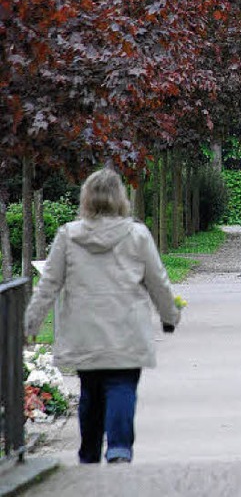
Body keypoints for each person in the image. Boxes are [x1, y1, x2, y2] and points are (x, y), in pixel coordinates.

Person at [24, 167, 180, 464]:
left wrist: (32, 322)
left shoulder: (68, 236)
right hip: (127, 329)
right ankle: (120, 448)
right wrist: (169, 315)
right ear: (120, 198)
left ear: (86, 199)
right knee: (122, 385)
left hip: (85, 330)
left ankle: (89, 452)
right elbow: (157, 280)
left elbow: (48, 284)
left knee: (91, 391)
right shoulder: (137, 235)